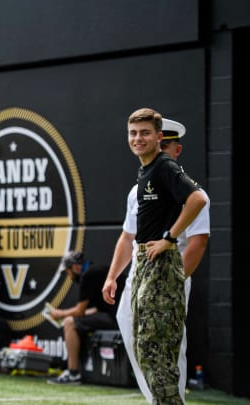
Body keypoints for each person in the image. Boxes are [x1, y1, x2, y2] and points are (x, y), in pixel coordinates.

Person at [102, 108, 207, 404]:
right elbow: (128, 236)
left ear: (168, 143)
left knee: (161, 349)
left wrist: (169, 241)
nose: (139, 139)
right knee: (145, 345)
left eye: (147, 134)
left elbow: (198, 229)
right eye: (133, 133)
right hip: (142, 270)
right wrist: (113, 276)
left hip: (164, 271)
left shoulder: (166, 169)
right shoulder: (144, 176)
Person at [46, 251, 126, 385]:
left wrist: (59, 314)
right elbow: (94, 310)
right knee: (74, 321)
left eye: (68, 272)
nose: (69, 277)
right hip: (120, 316)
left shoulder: (88, 276)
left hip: (117, 318)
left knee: (70, 323)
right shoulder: (95, 272)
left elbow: (79, 311)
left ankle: (73, 374)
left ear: (75, 267)